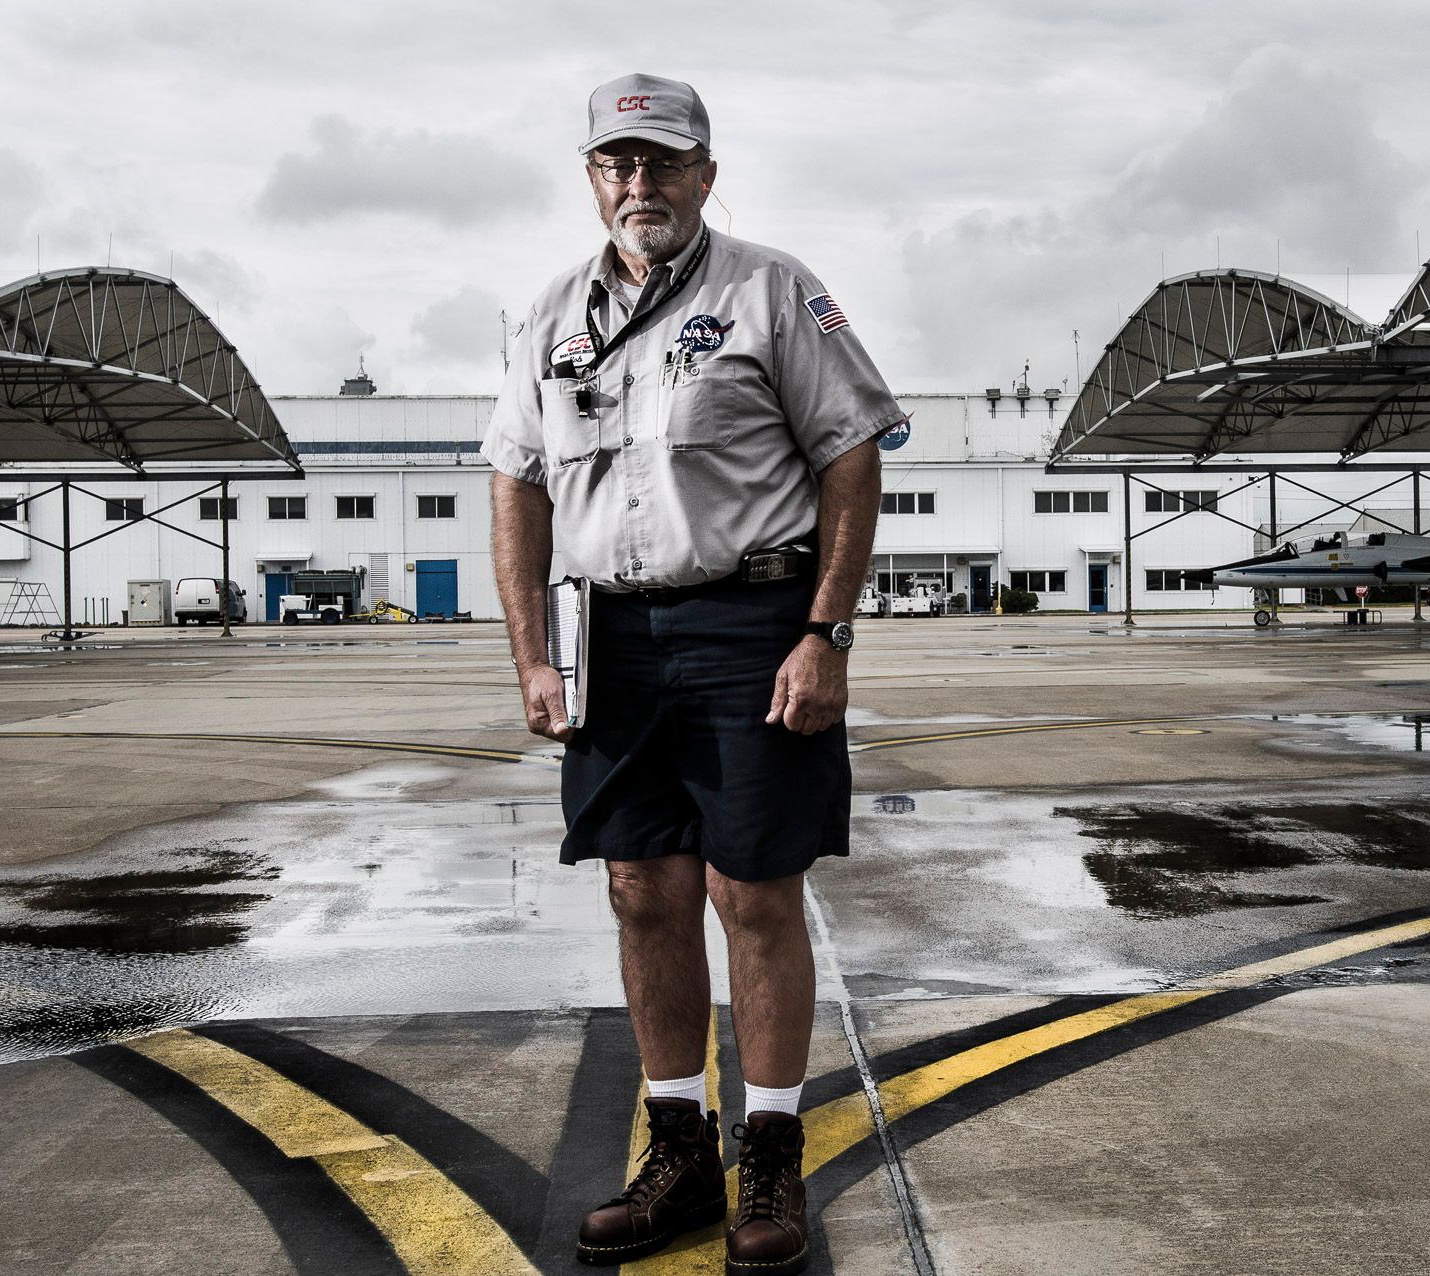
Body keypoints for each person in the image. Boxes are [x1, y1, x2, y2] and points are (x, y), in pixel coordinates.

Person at [484, 73, 902, 1275]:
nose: (641, 184)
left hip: (750, 623)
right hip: (609, 638)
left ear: (706, 175)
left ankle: (770, 1152)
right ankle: (678, 1153)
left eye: (664, 162)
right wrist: (531, 654)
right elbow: (516, 480)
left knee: (752, 891)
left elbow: (851, 454)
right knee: (640, 887)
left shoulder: (771, 291)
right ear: (591, 178)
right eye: (618, 163)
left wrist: (824, 633)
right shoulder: (550, 313)